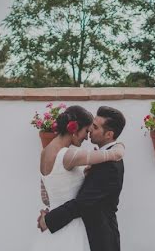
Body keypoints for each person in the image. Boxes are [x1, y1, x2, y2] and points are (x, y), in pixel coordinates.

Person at [37, 106, 127, 251]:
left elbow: (82, 202)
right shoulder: (74, 156)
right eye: (88, 128)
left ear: (109, 134)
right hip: (73, 230)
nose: (89, 132)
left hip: (99, 238)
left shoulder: (109, 165)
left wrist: (48, 219)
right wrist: (119, 148)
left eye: (94, 127)